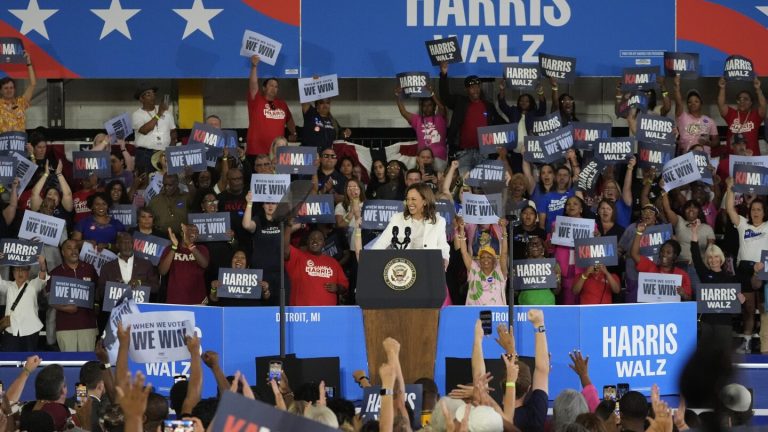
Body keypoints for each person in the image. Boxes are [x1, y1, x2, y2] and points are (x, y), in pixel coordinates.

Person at [724, 177, 768, 353]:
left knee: (764, 307)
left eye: (759, 209)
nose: (756, 212)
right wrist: (730, 188)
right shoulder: (743, 224)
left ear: (764, 212)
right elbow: (729, 209)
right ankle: (747, 341)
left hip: (764, 269)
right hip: (744, 268)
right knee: (748, 308)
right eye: (753, 209)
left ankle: (764, 341)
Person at [438, 62, 501, 174]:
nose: (475, 90)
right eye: (472, 87)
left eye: (477, 87)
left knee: (482, 185)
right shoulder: (460, 102)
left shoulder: (488, 105)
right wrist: (443, 75)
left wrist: (515, 132)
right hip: (463, 153)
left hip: (483, 152)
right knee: (464, 185)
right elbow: (445, 97)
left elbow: (500, 123)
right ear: (467, 89)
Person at [371, 183, 451, 268]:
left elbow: (443, 246)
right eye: (408, 199)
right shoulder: (397, 218)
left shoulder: (439, 221)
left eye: (413, 199)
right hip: (403, 268)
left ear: (425, 201)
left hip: (428, 267)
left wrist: (445, 259)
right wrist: (372, 259)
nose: (409, 203)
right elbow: (382, 242)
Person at [689, 219, 741, 346]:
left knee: (723, 355)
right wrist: (694, 231)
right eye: (710, 257)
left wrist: (741, 299)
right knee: (706, 355)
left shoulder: (731, 277)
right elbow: (695, 255)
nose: (713, 260)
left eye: (716, 256)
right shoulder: (705, 274)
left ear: (721, 258)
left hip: (725, 323)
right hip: (707, 322)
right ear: (707, 260)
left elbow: (738, 304)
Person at [47, 240, 98, 352]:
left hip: (87, 325)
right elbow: (49, 299)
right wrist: (64, 308)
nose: (74, 251)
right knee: (69, 364)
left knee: (87, 364)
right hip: (65, 327)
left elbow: (98, 292)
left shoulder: (89, 269)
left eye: (75, 248)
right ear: (63, 252)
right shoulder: (56, 272)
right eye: (69, 248)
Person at [242, 192, 288, 306]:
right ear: (263, 205)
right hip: (260, 273)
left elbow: (298, 223)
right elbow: (247, 225)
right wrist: (249, 203)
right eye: (267, 203)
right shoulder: (258, 220)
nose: (270, 206)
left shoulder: (283, 222)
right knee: (260, 309)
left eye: (274, 203)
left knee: (280, 308)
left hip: (279, 273)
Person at [246, 55, 297, 158]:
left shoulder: (282, 104)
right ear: (264, 88)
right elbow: (253, 84)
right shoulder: (256, 100)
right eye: (271, 85)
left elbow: (290, 120)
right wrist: (254, 66)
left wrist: (294, 132)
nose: (274, 88)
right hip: (257, 152)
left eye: (276, 86)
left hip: (277, 152)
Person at [283, 225, 348, 306]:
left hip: (327, 314)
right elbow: (284, 248)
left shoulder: (333, 262)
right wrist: (289, 226)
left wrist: (338, 288)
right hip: (301, 313)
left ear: (324, 243)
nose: (315, 241)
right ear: (307, 242)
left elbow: (345, 287)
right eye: (312, 239)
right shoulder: (298, 256)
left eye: (319, 239)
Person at [630, 222, 692, 301]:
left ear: (675, 256)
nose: (664, 255)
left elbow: (689, 298)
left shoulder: (682, 275)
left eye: (668, 253)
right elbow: (634, 254)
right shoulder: (650, 267)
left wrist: (683, 294)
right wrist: (639, 232)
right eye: (662, 251)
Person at [0, 254, 48, 351]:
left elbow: (42, 276)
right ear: (13, 273)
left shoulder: (34, 285)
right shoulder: (8, 286)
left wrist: (42, 264)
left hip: (30, 329)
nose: (20, 273)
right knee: (11, 360)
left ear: (28, 272)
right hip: (11, 329)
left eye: (23, 269)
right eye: (17, 270)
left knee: (29, 359)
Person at [98, 232, 160, 307]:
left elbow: (155, 287)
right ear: (117, 245)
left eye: (130, 242)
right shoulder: (107, 267)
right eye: (124, 243)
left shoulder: (146, 265)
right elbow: (100, 292)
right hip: (115, 313)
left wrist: (139, 283)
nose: (127, 246)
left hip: (138, 314)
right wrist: (116, 287)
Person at [455, 218, 509, 305]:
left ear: (494, 260)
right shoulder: (474, 270)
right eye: (483, 257)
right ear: (479, 261)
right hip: (474, 314)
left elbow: (504, 253)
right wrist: (461, 230)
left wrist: (504, 232)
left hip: (496, 314)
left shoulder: (499, 272)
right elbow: (464, 252)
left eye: (489, 257)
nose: (485, 259)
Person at [394, 87, 448, 167]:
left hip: (438, 158)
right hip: (422, 159)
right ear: (421, 107)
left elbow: (442, 108)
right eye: (424, 106)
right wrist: (397, 96)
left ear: (434, 106)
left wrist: (433, 95)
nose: (427, 108)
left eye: (429, 105)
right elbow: (403, 112)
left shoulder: (440, 118)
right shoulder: (417, 120)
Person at [131, 82, 176, 173]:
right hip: (145, 155)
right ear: (141, 99)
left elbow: (173, 132)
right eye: (148, 94)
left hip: (163, 154)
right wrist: (159, 113)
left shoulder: (166, 112)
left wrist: (170, 151)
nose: (152, 96)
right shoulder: (137, 114)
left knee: (164, 181)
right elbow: (144, 130)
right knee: (144, 182)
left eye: (153, 93)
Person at [159, 224, 209, 305]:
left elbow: (204, 264)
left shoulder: (202, 249)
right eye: (190, 230)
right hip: (175, 300)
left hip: (198, 300)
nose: (193, 233)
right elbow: (162, 271)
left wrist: (189, 245)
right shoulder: (170, 248)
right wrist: (174, 247)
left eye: (196, 232)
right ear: (182, 233)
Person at [716, 76, 766, 156]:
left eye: (746, 99)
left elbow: (763, 106)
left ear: (751, 103)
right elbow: (721, 104)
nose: (742, 101)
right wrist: (722, 88)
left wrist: (758, 89)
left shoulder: (755, 115)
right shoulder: (732, 113)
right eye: (740, 99)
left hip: (752, 159)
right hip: (733, 159)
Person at [672, 75, 719, 155]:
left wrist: (708, 143)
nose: (693, 103)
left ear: (701, 104)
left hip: (704, 158)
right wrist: (677, 88)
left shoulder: (710, 121)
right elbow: (679, 103)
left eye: (696, 101)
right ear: (687, 105)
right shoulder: (682, 117)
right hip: (686, 157)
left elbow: (716, 141)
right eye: (690, 102)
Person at [518, 235, 561, 305]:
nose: (535, 245)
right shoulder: (520, 266)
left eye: (538, 243)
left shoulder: (553, 265)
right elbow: (515, 293)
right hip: (525, 304)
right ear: (527, 249)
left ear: (543, 249)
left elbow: (557, 292)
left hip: (547, 304)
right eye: (532, 244)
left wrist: (556, 280)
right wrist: (514, 279)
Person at [0, 51, 36, 133]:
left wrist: (29, 63)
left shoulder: (21, 102)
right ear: (1, 91)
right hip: (2, 144)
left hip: (19, 143)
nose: (9, 90)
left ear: (14, 89)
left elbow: (33, 84)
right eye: (6, 88)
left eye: (11, 88)